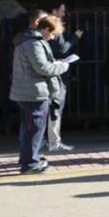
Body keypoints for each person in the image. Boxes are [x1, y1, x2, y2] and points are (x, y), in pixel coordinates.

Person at [11, 15, 71, 174]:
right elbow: (42, 68)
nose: (52, 38)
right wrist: (63, 66)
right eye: (52, 34)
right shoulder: (34, 43)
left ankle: (28, 157)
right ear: (45, 29)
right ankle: (30, 163)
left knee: (29, 128)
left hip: (27, 91)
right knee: (35, 129)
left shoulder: (29, 41)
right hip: (34, 93)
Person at [45, 2, 83, 152]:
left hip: (51, 72)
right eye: (62, 11)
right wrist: (75, 38)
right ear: (54, 11)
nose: (64, 14)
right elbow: (62, 49)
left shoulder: (45, 30)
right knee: (56, 108)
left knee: (49, 109)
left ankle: (49, 140)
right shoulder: (55, 28)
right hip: (57, 73)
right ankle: (53, 142)